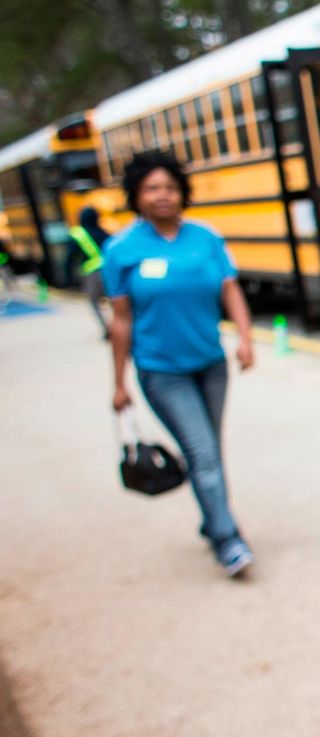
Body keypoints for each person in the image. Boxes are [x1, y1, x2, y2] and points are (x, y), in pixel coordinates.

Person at [104, 150, 256, 578]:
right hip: (161, 371)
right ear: (137, 194)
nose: (163, 196)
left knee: (209, 450)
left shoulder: (205, 238)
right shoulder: (121, 249)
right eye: (152, 188)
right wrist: (119, 383)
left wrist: (245, 339)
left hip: (210, 364)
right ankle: (228, 539)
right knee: (202, 452)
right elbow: (121, 320)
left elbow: (230, 291)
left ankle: (212, 520)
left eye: (170, 187)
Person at [66, 205, 112, 338]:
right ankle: (118, 325)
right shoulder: (104, 232)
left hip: (92, 274)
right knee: (115, 300)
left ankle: (106, 328)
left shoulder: (78, 234)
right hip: (109, 272)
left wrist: (68, 278)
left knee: (95, 302)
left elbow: (69, 258)